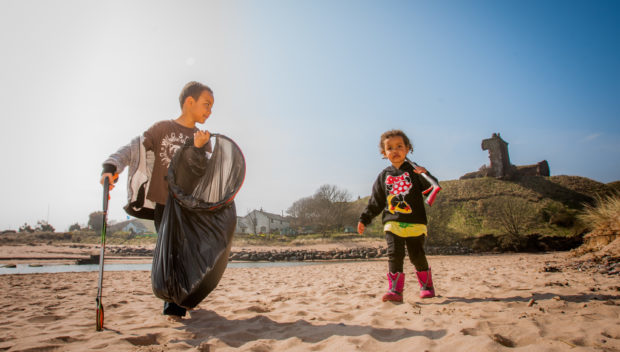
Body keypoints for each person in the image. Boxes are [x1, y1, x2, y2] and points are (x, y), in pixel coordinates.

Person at [99, 81, 214, 319]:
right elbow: (134, 149)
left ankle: (183, 297)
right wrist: (111, 165)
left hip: (189, 207)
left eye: (212, 107)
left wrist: (198, 147)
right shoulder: (162, 128)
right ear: (189, 102)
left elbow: (200, 172)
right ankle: (173, 305)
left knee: (188, 253)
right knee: (170, 251)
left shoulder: (203, 138)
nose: (209, 111)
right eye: (206, 104)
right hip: (164, 203)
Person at [357, 129, 439, 302]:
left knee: (417, 256)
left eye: (399, 146)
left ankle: (427, 286)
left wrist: (426, 175)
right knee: (395, 254)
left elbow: (431, 189)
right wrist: (364, 219)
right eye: (390, 148)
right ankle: (395, 290)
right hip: (392, 223)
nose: (395, 151)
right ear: (384, 153)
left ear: (408, 149)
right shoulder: (383, 176)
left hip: (415, 222)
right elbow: (376, 201)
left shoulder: (415, 172)